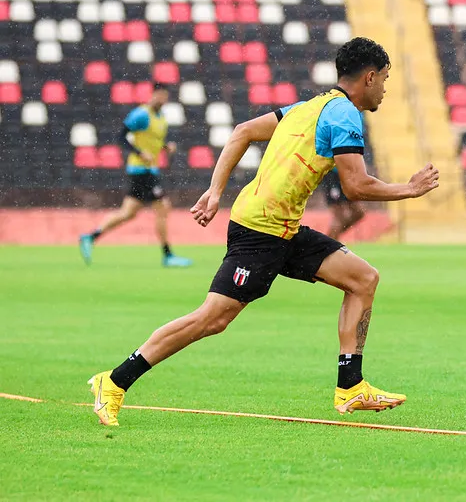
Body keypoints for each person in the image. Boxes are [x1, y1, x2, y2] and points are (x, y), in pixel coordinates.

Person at [87, 37, 440, 426]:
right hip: (260, 230)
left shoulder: (307, 107)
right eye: (385, 80)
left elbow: (241, 131)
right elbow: (356, 186)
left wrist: (215, 191)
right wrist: (410, 188)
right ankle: (114, 381)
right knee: (213, 319)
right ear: (369, 77)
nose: (385, 90)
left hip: (283, 227)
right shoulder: (345, 115)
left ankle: (351, 387)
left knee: (363, 279)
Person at [78, 83, 192, 268]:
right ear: (153, 94)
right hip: (141, 171)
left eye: (164, 96)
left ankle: (90, 237)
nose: (161, 99)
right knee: (163, 207)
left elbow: (153, 141)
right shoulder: (141, 114)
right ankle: (167, 255)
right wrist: (140, 153)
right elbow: (121, 136)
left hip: (149, 170)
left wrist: (165, 147)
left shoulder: (160, 117)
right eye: (159, 95)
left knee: (128, 213)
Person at [320, 168, 366, 240]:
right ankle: (331, 243)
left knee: (359, 212)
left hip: (345, 175)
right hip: (332, 176)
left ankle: (329, 240)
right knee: (339, 217)